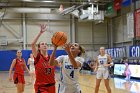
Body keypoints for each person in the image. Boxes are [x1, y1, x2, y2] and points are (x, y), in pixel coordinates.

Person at [31, 24, 55, 93]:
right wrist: (40, 33)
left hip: (52, 86)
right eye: (42, 44)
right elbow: (32, 44)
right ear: (39, 47)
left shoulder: (51, 58)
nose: (44, 45)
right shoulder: (38, 57)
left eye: (45, 44)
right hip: (41, 87)